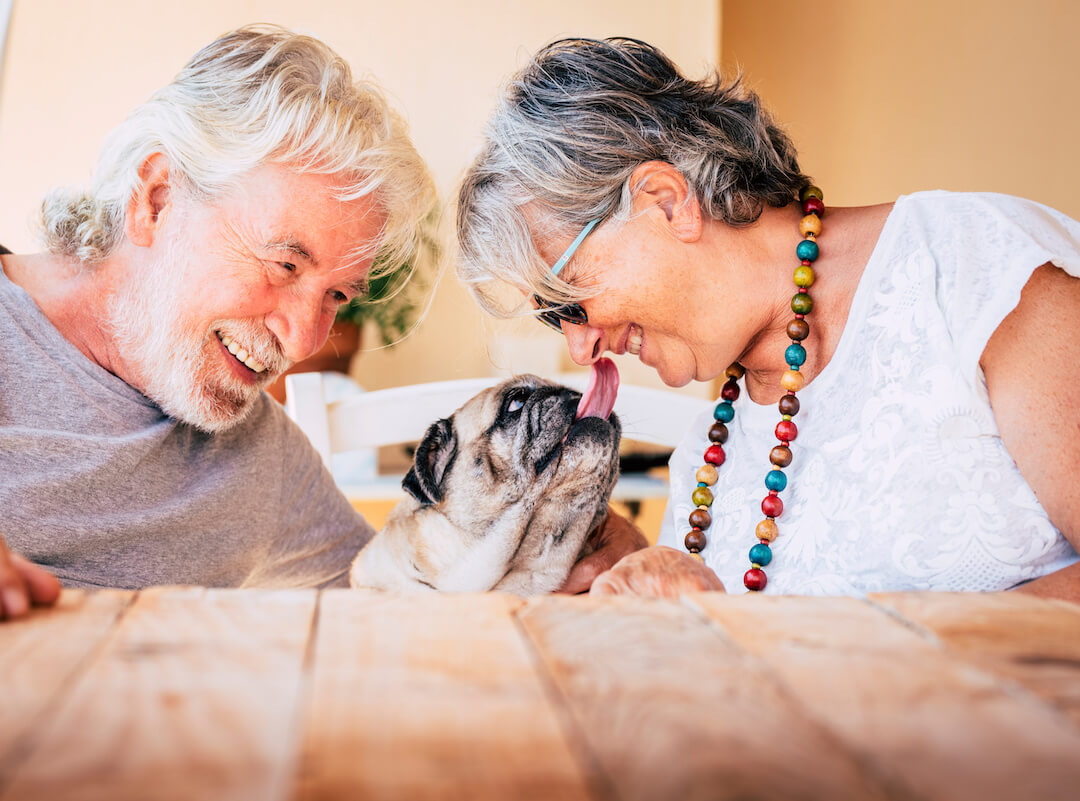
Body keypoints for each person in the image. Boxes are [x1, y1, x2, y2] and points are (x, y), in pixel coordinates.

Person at [455, 37, 1080, 601]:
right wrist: (641, 582)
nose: (581, 346)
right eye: (550, 317)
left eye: (568, 299)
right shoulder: (706, 452)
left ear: (666, 203)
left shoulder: (976, 269)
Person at [0, 25, 438, 624]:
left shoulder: (262, 457)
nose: (303, 339)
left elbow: (399, 613)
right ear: (158, 199)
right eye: (283, 265)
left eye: (335, 296)